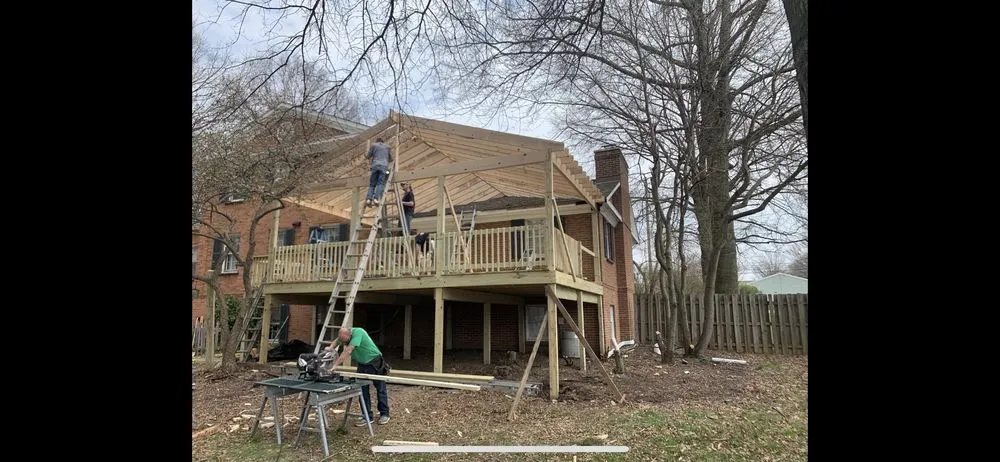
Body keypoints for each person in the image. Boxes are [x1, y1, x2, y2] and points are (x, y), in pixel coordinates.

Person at [323, 327, 391, 426]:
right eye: (341, 340)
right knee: (362, 389)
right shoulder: (343, 335)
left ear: (349, 335)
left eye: (344, 340)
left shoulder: (358, 332)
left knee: (380, 388)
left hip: (374, 362)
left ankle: (384, 414)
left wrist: (335, 365)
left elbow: (348, 351)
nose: (343, 342)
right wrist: (330, 348)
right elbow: (336, 341)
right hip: (362, 364)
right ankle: (366, 416)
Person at [365, 138, 393, 207]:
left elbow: (368, 156)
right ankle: (376, 198)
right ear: (383, 142)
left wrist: (365, 154)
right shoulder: (387, 147)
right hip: (383, 166)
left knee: (372, 184)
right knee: (380, 183)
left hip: (375, 166)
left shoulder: (373, 145)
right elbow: (391, 159)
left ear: (377, 141)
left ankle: (369, 199)